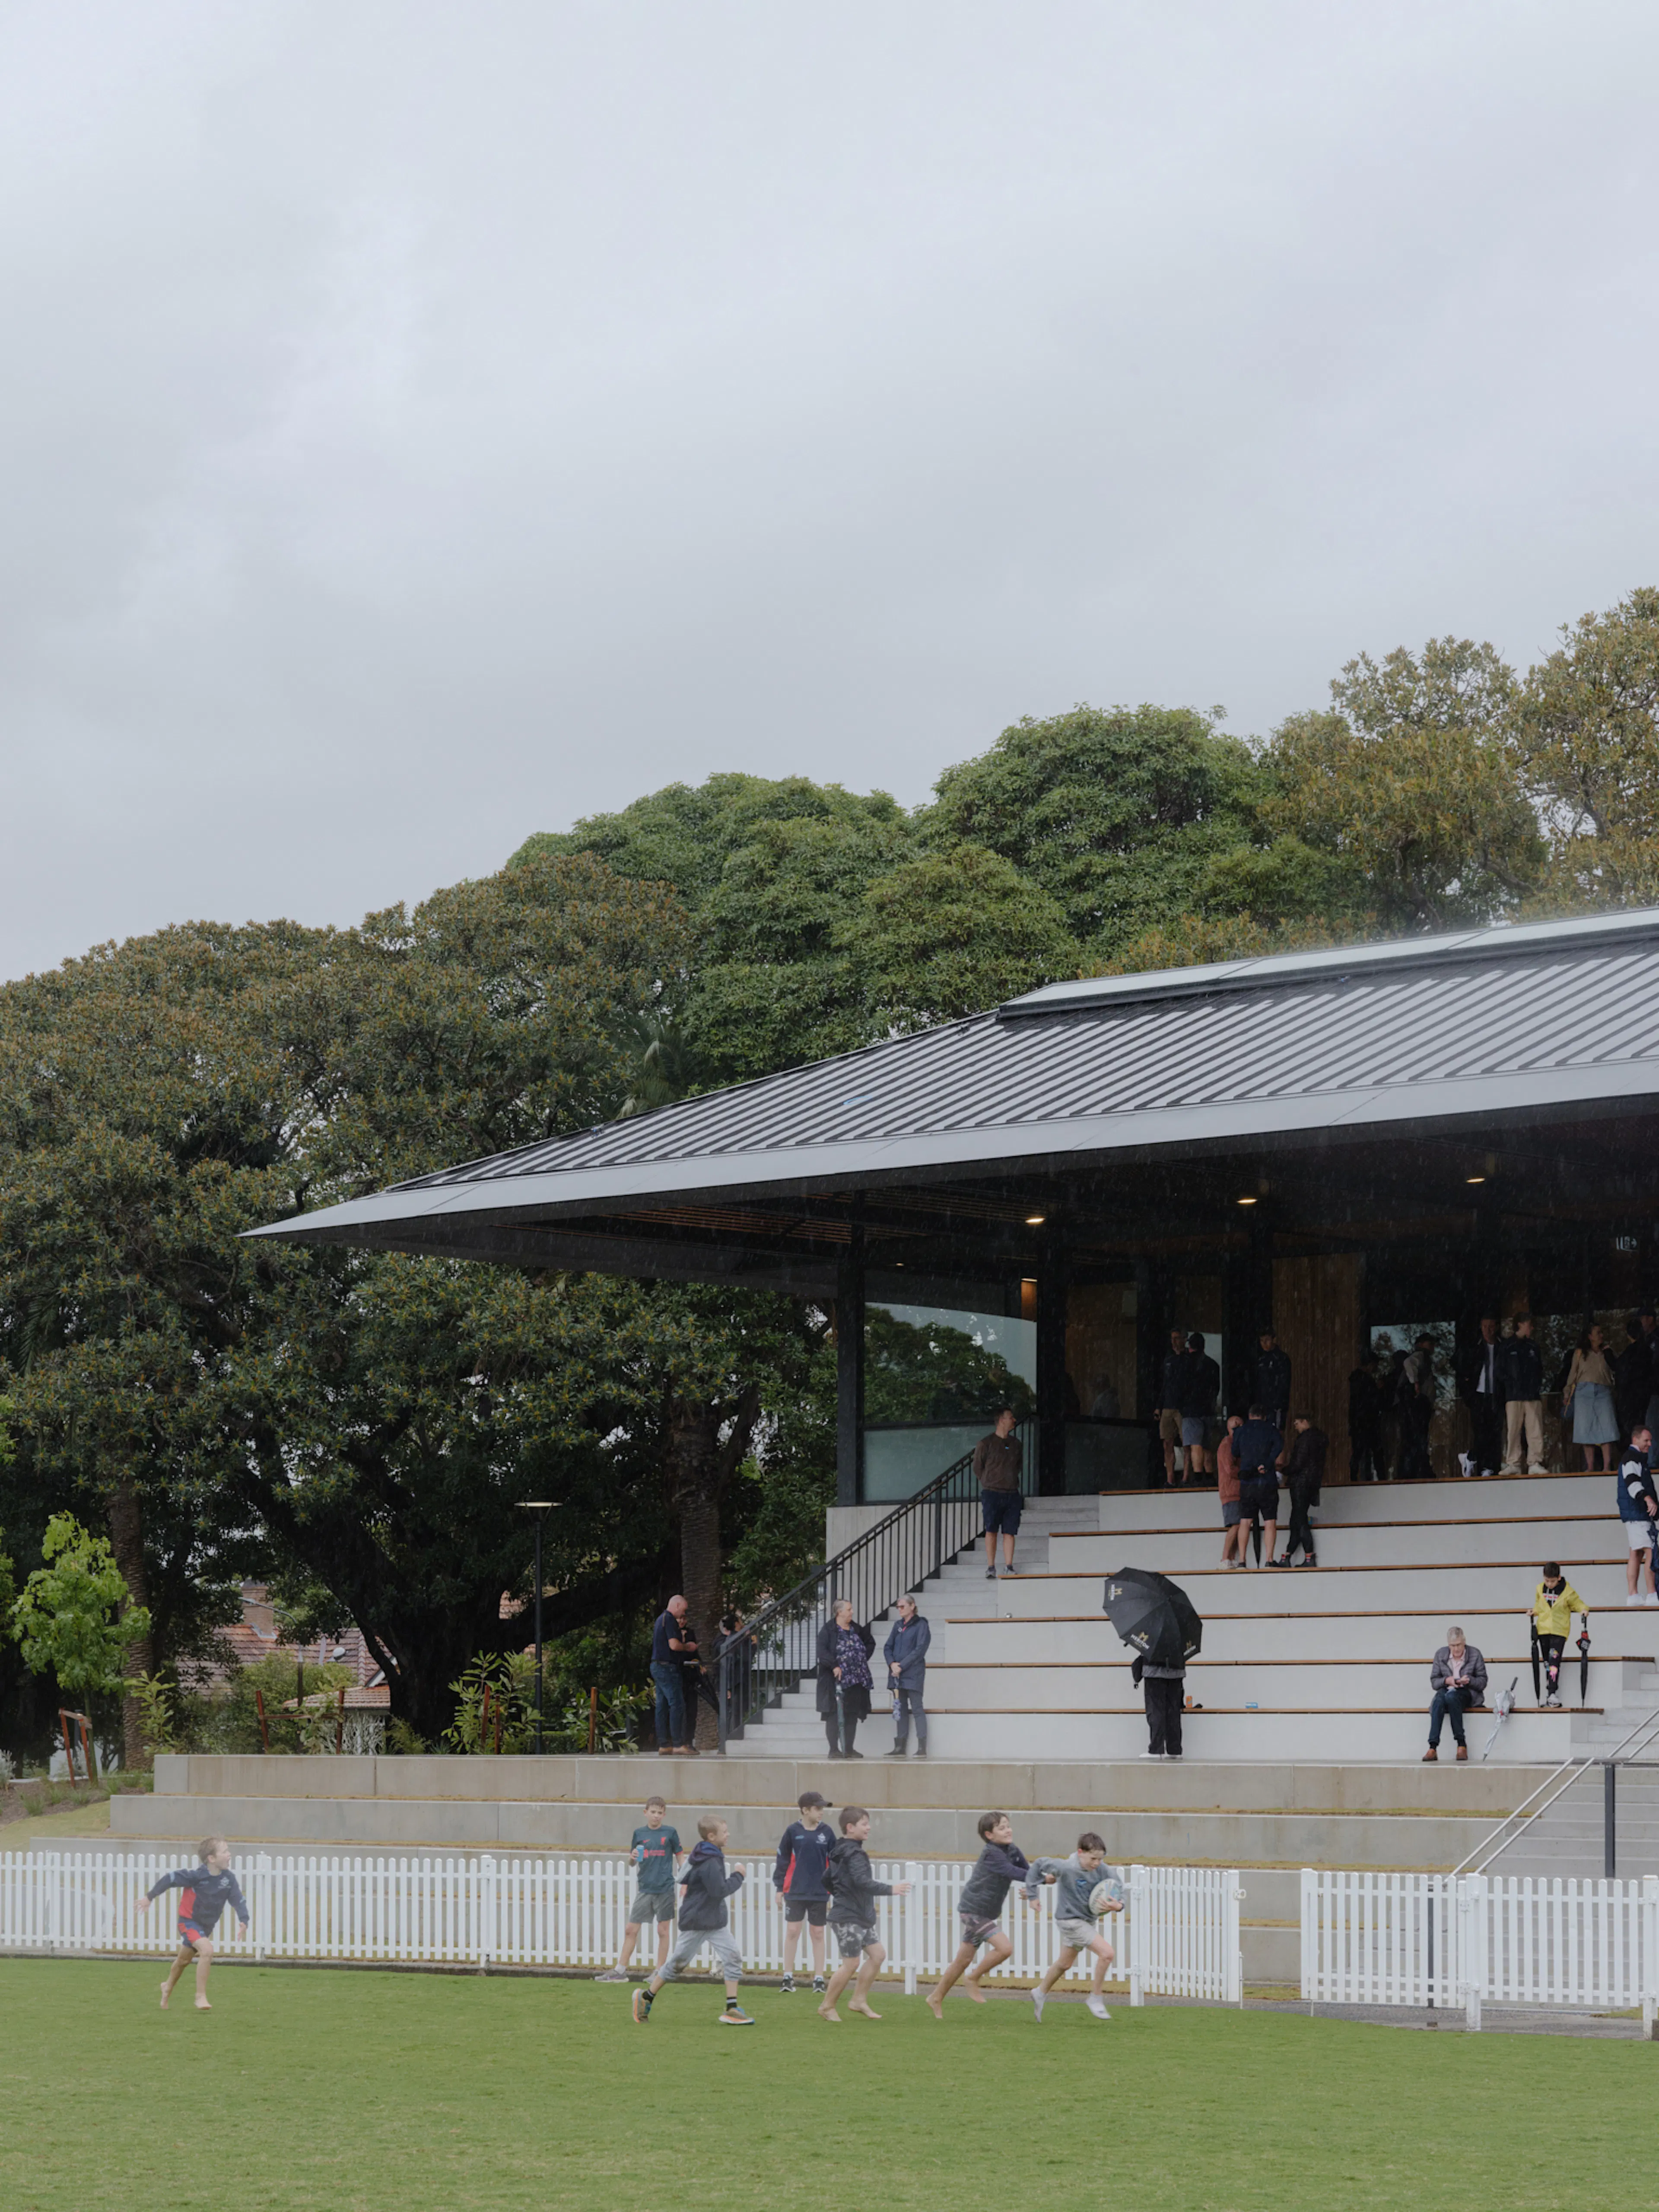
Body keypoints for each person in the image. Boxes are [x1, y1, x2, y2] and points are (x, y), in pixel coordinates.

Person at [632, 1815, 753, 2027]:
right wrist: (739, 1876)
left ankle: (732, 2008)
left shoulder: (706, 1853)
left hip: (714, 1922)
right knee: (676, 1964)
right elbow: (718, 1891)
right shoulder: (710, 1860)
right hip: (697, 1921)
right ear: (712, 1836)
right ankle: (646, 1998)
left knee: (733, 1957)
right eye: (725, 1832)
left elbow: (687, 1878)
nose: (729, 1835)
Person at [924, 1810, 1034, 2016]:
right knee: (1005, 1949)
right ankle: (973, 1978)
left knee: (962, 1960)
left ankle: (936, 1997)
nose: (1008, 1830)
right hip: (973, 1910)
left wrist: (1032, 1887)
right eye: (1001, 1828)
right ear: (989, 1835)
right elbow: (1011, 1872)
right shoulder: (992, 1853)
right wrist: (1043, 1879)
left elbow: (1026, 1872)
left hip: (986, 1912)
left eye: (1008, 1826)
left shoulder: (1013, 1850)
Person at [818, 1805, 912, 2022]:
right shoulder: (855, 1853)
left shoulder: (840, 1850)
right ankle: (827, 2006)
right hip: (847, 1917)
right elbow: (862, 1882)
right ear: (850, 1828)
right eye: (865, 1824)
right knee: (851, 1963)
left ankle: (858, 2001)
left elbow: (826, 1878)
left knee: (878, 1955)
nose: (869, 1828)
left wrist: (841, 1893)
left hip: (859, 1916)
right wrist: (891, 1889)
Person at [138, 1836, 250, 2011]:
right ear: (211, 1859)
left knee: (183, 1961)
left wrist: (244, 1920)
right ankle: (200, 1997)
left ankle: (167, 1987)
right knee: (207, 1951)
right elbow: (170, 1878)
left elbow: (239, 1900)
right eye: (225, 1852)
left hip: (206, 1928)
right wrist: (149, 1897)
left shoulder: (229, 1879)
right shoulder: (196, 1877)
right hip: (188, 1923)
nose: (229, 1855)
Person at [1022, 1831, 1123, 2021]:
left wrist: (1119, 1905)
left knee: (1065, 1964)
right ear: (1080, 1852)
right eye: (1093, 1858)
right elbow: (1038, 1865)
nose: (1097, 1863)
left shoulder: (1102, 1869)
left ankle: (1040, 1992)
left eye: (1100, 1859)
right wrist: (1033, 1896)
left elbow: (1118, 1886)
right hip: (1070, 1921)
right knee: (1107, 1954)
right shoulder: (1066, 1867)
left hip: (1087, 1920)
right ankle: (1096, 1998)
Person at [595, 1794, 682, 1980]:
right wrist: (633, 1857)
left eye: (660, 1813)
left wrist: (686, 1880)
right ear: (646, 1813)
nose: (656, 1816)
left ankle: (659, 1973)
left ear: (664, 1814)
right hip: (645, 1888)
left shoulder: (671, 1833)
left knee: (663, 1931)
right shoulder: (639, 1834)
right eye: (653, 1812)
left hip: (665, 1888)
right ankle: (620, 1971)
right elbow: (632, 1862)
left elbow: (680, 1856)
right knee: (631, 1929)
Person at [774, 1788, 836, 1994]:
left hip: (819, 1891)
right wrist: (779, 1888)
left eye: (822, 1809)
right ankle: (788, 1977)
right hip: (796, 1890)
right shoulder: (793, 1832)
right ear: (805, 1810)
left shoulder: (827, 1832)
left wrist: (835, 1888)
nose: (821, 1812)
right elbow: (782, 1860)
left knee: (818, 1933)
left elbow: (835, 1861)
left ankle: (819, 1979)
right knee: (793, 1932)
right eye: (818, 1809)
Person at [817, 1597, 875, 1757]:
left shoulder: (856, 1628)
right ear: (839, 1612)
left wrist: (862, 1659)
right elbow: (822, 1652)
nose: (852, 1612)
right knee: (834, 1714)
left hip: (856, 1679)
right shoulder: (828, 1630)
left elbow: (871, 1643)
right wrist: (834, 1666)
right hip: (835, 1680)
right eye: (849, 1610)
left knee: (852, 1713)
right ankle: (834, 1749)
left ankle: (849, 1749)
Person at [974, 1406, 1024, 1576]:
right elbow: (977, 1468)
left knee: (1010, 1531)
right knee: (991, 1530)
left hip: (1012, 1492)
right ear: (1002, 1420)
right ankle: (991, 1567)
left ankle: (1009, 1566)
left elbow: (1018, 1467)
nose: (1014, 1420)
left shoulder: (1017, 1444)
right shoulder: (986, 1443)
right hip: (992, 1493)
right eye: (1011, 1418)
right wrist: (989, 1481)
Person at [1424, 1627, 1487, 1762]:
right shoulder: (1441, 1655)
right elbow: (1434, 1682)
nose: (1456, 1649)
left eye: (1459, 1644)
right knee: (1439, 1700)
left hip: (1467, 1692)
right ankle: (1433, 1747)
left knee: (1451, 1698)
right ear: (1448, 1644)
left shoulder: (1475, 1654)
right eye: (1453, 1646)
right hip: (1447, 1689)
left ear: (1464, 1642)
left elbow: (1483, 1682)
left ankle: (1461, 1745)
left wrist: (1468, 1680)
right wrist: (1448, 1680)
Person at [1232, 1403, 1283, 1567]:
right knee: (1270, 1521)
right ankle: (1269, 1559)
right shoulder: (1271, 1430)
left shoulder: (1241, 1431)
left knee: (1245, 1521)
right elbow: (1279, 1446)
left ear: (1250, 1415)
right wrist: (1267, 1462)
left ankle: (1242, 1561)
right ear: (1264, 1416)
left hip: (1248, 1481)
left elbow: (1235, 1452)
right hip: (1267, 1480)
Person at [1531, 1563, 1589, 1708]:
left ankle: (1552, 1692)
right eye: (1547, 1581)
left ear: (1559, 1578)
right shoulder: (1540, 1589)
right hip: (1543, 1630)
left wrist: (1584, 1610)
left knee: (1554, 1661)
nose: (1549, 1584)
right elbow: (1539, 1606)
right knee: (1547, 1663)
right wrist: (1534, 1612)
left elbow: (1578, 1603)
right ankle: (1550, 1692)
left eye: (1553, 1581)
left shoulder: (1567, 1592)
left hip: (1559, 1631)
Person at [1564, 1325, 1620, 1471]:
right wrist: (1567, 1392)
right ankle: (1590, 1466)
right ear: (1590, 1336)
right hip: (1584, 1392)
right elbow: (1573, 1374)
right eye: (1598, 1333)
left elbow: (1617, 1370)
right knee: (1585, 1428)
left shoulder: (1607, 1352)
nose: (1601, 1335)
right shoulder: (1580, 1353)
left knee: (1607, 1427)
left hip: (1604, 1391)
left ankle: (1607, 1466)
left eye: (1602, 1332)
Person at [1273, 1416, 1325, 1568]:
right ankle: (1288, 1555)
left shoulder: (1305, 1439)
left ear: (1305, 1421)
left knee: (1299, 1519)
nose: (1296, 1427)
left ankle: (1309, 1555)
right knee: (1296, 1518)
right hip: (1312, 1483)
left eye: (1297, 1423)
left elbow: (1298, 1463)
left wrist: (1284, 1470)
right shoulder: (1320, 1439)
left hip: (1301, 1483)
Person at [883, 1593, 930, 1758]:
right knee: (900, 1709)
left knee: (917, 1708)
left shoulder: (921, 1624)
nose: (900, 1610)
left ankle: (922, 1746)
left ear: (912, 1606)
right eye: (898, 1607)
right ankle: (900, 1746)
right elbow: (888, 1647)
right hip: (897, 1675)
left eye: (903, 1606)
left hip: (913, 1673)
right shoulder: (897, 1626)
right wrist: (892, 1664)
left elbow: (920, 1650)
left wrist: (901, 1666)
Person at [649, 1594, 697, 1757]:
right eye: (683, 1610)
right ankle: (678, 1743)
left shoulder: (660, 1619)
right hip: (667, 1667)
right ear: (677, 1606)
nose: (684, 1614)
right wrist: (687, 1647)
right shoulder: (669, 1619)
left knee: (662, 1706)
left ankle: (664, 1744)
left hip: (657, 1665)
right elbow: (674, 1645)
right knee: (677, 1704)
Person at [1617, 1424, 1659, 1607]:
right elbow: (1632, 1482)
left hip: (1635, 1513)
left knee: (1636, 1552)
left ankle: (1633, 1595)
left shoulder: (1637, 1459)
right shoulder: (1631, 1458)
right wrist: (1648, 1500)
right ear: (1635, 1440)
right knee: (1651, 1550)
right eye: (1646, 1440)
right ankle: (1652, 1594)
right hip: (1637, 1513)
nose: (1650, 1444)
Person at [1457, 1315, 1503, 1479]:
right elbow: (1462, 1369)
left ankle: (1486, 1466)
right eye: (1485, 1327)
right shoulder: (1474, 1347)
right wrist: (1467, 1394)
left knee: (1494, 1433)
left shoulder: (1502, 1346)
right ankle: (1477, 1461)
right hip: (1479, 1395)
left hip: (1496, 1395)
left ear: (1496, 1327)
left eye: (1491, 1326)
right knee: (1481, 1432)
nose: (1488, 1330)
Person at [1500, 1314, 1546, 1476]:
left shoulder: (1533, 1346)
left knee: (1535, 1429)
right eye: (1529, 1324)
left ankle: (1535, 1462)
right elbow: (1500, 1370)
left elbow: (1540, 1370)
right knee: (1513, 1430)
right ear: (1520, 1324)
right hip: (1513, 1395)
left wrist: (1535, 1385)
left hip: (1532, 1395)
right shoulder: (1507, 1346)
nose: (1531, 1328)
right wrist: (1511, 1384)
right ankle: (1513, 1463)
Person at [1179, 1331, 1221, 1481]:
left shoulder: (1184, 1363)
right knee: (1207, 1445)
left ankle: (1198, 1476)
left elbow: (1180, 1387)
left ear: (1190, 1346)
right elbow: (1216, 1389)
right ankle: (1210, 1475)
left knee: (1195, 1445)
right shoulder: (1213, 1365)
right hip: (1208, 1410)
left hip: (1191, 1411)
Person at [1132, 1647, 1185, 1758]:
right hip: (1176, 1671)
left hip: (1154, 1672)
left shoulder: (1151, 1630)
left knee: (1155, 1711)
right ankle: (1174, 1750)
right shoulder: (1179, 1631)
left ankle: (1156, 1749)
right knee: (1174, 1712)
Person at [1615, 1310, 1656, 1450]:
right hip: (1646, 1397)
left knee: (1635, 1430)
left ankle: (1640, 1456)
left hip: (1633, 1399)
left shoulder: (1628, 1355)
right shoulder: (1648, 1351)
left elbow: (1620, 1372)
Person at [1398, 1335, 1437, 1481]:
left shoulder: (1425, 1359)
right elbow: (1409, 1363)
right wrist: (1415, 1383)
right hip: (1418, 1405)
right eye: (1430, 1343)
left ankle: (1415, 1469)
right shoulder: (1420, 1356)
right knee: (1417, 1438)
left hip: (1420, 1405)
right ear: (1421, 1344)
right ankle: (1417, 1470)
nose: (1433, 1347)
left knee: (1417, 1438)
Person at [1154, 1326, 1189, 1485]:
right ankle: (1170, 1478)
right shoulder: (1168, 1360)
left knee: (1186, 1442)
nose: (1174, 1342)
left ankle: (1186, 1477)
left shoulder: (1189, 1359)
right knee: (1167, 1442)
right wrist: (1158, 1406)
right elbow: (1165, 1385)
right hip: (1168, 1405)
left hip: (1184, 1407)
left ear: (1184, 1339)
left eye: (1177, 1338)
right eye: (1172, 1339)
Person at [1348, 1351, 1384, 1482]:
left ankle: (1355, 1478)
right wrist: (1378, 1390)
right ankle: (1381, 1478)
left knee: (1359, 1452)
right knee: (1375, 1451)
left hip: (1359, 1422)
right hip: (1367, 1422)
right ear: (1370, 1364)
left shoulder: (1357, 1379)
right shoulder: (1365, 1380)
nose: (1377, 1368)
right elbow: (1370, 1401)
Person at [1217, 1412, 1244, 1565]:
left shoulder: (1236, 1444)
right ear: (1229, 1429)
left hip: (1236, 1491)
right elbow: (1230, 1469)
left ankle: (1230, 1559)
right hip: (1232, 1491)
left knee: (1238, 1524)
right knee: (1236, 1524)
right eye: (1235, 1428)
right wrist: (1247, 1473)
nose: (1238, 1430)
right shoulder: (1227, 1444)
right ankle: (1225, 1558)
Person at [1252, 1331, 1291, 1437]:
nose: (1264, 1343)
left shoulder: (1282, 1359)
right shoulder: (1261, 1360)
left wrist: (1278, 1403)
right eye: (1262, 1341)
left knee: (1277, 1435)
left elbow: (1284, 1384)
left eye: (1267, 1340)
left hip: (1276, 1405)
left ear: (1274, 1340)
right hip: (1263, 1405)